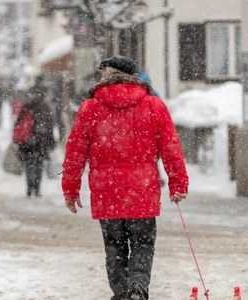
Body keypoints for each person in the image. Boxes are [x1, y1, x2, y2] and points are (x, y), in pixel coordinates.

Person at [61, 55, 189, 300]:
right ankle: (137, 289)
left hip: (106, 191)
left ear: (110, 73)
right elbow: (171, 147)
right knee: (143, 243)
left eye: (103, 72)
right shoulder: (153, 105)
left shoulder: (90, 108)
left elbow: (75, 151)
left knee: (114, 247)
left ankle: (122, 294)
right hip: (142, 190)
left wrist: (71, 188)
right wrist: (178, 183)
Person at [15, 75, 55, 197]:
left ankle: (29, 187)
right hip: (40, 141)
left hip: (27, 141)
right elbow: (49, 127)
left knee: (29, 165)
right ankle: (37, 189)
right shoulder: (45, 108)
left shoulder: (27, 106)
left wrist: (18, 138)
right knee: (38, 165)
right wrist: (51, 141)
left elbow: (18, 123)